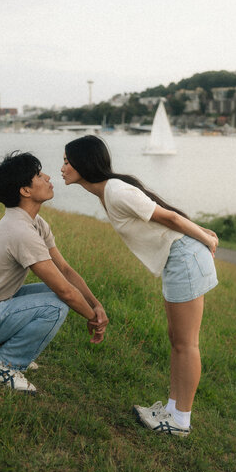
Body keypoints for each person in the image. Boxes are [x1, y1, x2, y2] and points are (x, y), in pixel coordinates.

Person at [62, 135, 218, 437]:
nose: (63, 167)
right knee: (177, 340)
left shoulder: (116, 192)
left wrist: (205, 236)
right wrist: (201, 233)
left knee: (186, 344)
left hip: (184, 257)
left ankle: (181, 420)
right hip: (177, 259)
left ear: (83, 164)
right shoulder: (108, 191)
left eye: (67, 161)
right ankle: (171, 409)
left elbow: (168, 217)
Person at [0, 150, 108, 394]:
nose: (47, 176)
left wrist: (96, 305)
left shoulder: (34, 223)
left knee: (52, 294)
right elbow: (65, 292)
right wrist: (93, 319)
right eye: (38, 174)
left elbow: (64, 270)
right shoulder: (19, 231)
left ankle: (5, 347)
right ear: (25, 190)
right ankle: (2, 363)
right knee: (56, 304)